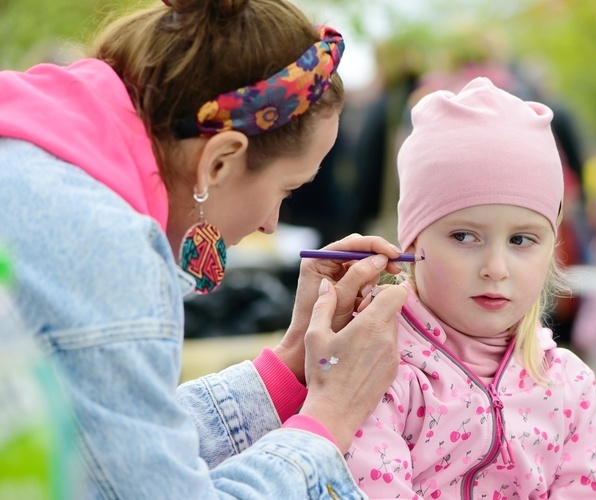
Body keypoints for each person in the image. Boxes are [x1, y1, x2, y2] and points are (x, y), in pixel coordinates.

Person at [0, 0, 409, 497]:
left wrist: (291, 367)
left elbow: (112, 446)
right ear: (220, 161)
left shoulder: (42, 166)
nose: (268, 224)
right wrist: (333, 417)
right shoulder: (102, 245)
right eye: (285, 190)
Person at [344, 77, 596, 498]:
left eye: (520, 240)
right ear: (413, 242)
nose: (495, 268)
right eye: (464, 237)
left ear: (552, 247)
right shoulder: (378, 371)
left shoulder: (568, 386)